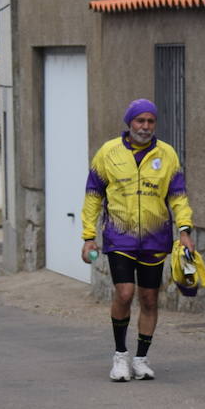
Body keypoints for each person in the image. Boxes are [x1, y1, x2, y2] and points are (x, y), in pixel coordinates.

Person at [81, 99, 194, 382]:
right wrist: (88, 237)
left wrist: (184, 230)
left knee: (149, 298)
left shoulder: (167, 155)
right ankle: (120, 356)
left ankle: (141, 359)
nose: (145, 127)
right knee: (125, 293)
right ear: (129, 122)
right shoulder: (108, 153)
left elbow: (178, 196)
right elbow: (93, 196)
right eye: (140, 121)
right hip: (120, 236)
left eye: (150, 121)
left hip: (155, 239)